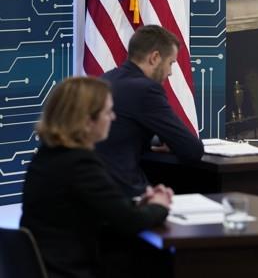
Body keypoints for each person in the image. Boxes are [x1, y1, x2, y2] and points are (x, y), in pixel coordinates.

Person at [20, 77, 172, 278]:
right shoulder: (79, 164)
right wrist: (160, 205)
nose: (114, 117)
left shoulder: (47, 156)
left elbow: (103, 212)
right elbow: (129, 222)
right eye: (108, 111)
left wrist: (139, 207)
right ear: (87, 121)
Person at [96, 25, 204, 198]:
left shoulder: (105, 79)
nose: (170, 72)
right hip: (123, 193)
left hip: (94, 189)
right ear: (154, 58)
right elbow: (192, 150)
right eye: (170, 63)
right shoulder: (146, 90)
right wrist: (172, 141)